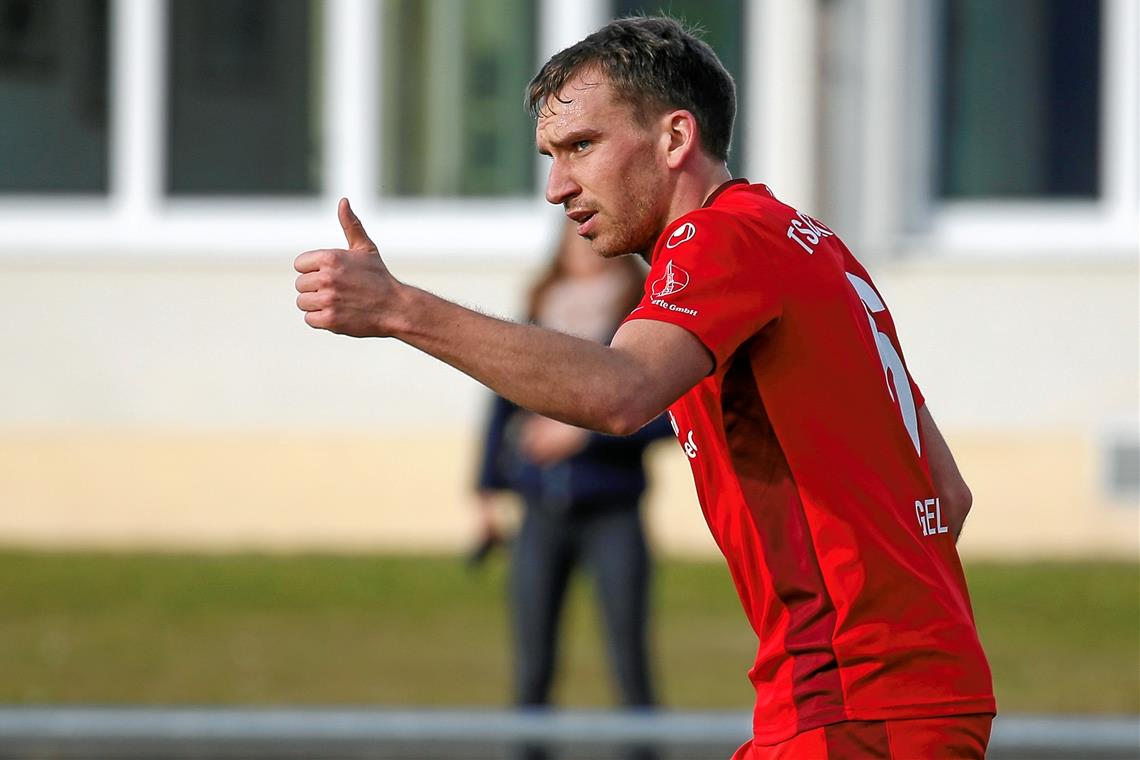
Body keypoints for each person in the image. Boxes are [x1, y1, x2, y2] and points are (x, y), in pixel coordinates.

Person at [294, 15, 996, 759]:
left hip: (852, 700)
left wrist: (403, 309)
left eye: (582, 147)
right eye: (550, 155)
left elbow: (620, 393)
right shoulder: (808, 242)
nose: (557, 186)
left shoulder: (717, 238)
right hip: (908, 688)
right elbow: (946, 492)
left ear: (674, 139)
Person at [473, 220, 670, 714]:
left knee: (629, 661)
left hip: (613, 508)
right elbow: (500, 406)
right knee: (532, 667)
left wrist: (584, 432)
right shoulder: (539, 312)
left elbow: (670, 413)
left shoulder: (640, 317)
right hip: (540, 508)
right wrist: (487, 488)